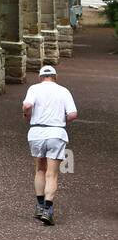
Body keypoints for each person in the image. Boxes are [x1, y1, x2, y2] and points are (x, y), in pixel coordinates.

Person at [22, 65, 78, 225]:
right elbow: (73, 114)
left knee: (40, 169)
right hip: (56, 133)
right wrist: (61, 122)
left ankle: (39, 206)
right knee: (51, 174)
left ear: (41, 77)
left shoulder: (34, 88)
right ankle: (48, 209)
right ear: (55, 76)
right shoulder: (64, 91)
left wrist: (26, 115)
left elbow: (27, 105)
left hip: (37, 132)